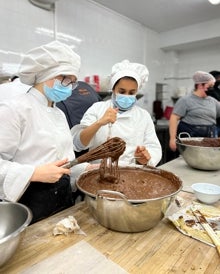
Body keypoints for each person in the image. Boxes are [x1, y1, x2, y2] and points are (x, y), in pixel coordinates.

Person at [0, 41, 94, 223]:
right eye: (65, 78)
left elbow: (62, 162)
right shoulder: (14, 109)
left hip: (63, 202)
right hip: (30, 204)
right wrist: (32, 173)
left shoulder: (58, 113)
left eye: (73, 82)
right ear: (46, 74)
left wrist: (86, 169)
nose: (69, 86)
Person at [72, 60, 162, 167]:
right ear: (113, 89)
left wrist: (144, 158)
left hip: (132, 172)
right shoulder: (97, 109)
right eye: (122, 91)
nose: (127, 96)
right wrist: (99, 123)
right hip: (98, 171)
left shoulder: (143, 116)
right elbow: (79, 143)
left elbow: (154, 147)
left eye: (132, 92)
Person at [169, 71, 220, 151]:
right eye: (209, 86)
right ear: (200, 85)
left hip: (210, 139)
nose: (212, 89)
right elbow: (174, 118)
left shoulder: (213, 101)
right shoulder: (185, 100)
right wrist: (172, 138)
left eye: (212, 86)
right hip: (190, 139)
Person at [206, 70, 220, 136]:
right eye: (218, 78)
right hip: (212, 122)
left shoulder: (218, 90)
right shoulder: (208, 91)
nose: (219, 79)